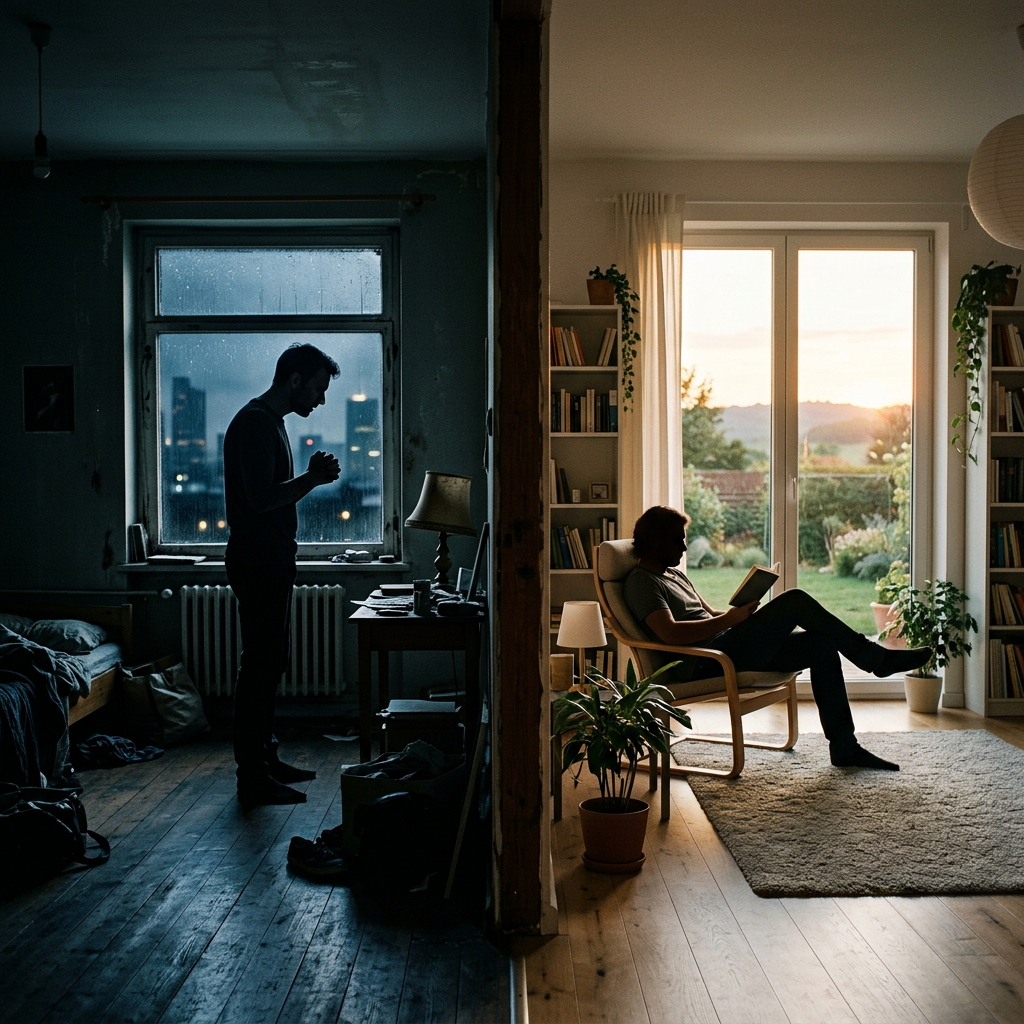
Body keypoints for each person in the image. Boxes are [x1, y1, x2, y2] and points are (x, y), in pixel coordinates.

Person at [624, 505, 932, 771]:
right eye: (678, 540)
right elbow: (670, 633)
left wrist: (742, 612)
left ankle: (844, 747)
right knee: (795, 600)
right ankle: (875, 659)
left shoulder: (673, 574)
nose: (684, 547)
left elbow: (707, 615)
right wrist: (732, 620)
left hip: (726, 644)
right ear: (655, 542)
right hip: (706, 662)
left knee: (821, 646)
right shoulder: (642, 582)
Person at [223, 344, 341, 807]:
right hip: (257, 561)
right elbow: (260, 499)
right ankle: (252, 774)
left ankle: (264, 761)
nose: (321, 399)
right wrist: (312, 479)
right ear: (294, 381)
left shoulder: (270, 423)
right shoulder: (255, 424)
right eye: (317, 388)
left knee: (269, 664)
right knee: (259, 668)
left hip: (267, 559)